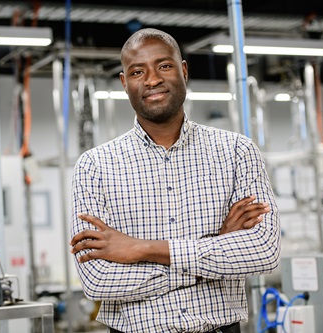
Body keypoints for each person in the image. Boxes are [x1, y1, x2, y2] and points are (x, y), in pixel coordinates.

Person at [69, 28, 280, 333]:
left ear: (183, 70)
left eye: (164, 66)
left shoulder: (237, 152)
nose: (152, 79)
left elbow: (263, 251)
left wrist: (142, 249)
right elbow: (98, 280)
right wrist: (214, 248)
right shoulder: (94, 167)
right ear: (124, 82)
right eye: (138, 71)